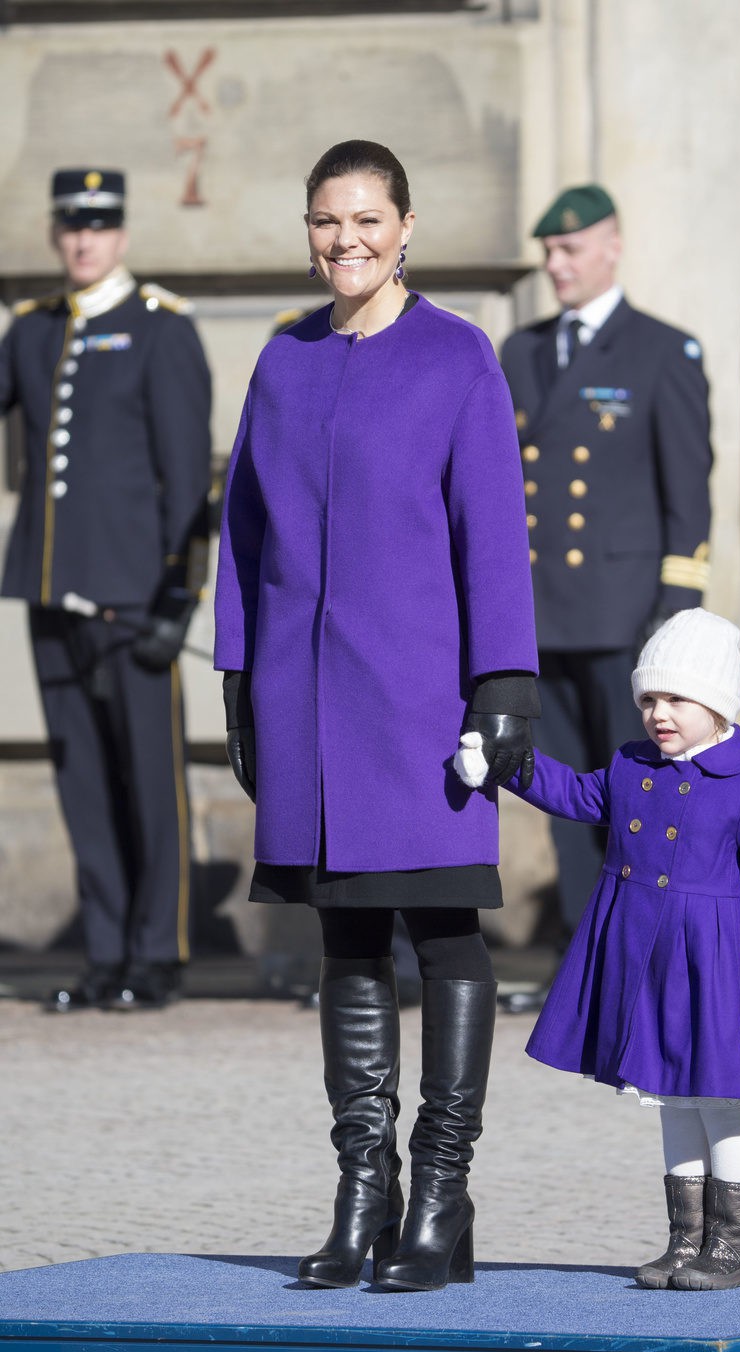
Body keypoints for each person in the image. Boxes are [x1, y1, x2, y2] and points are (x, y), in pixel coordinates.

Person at [213, 140, 539, 1293]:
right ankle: (365, 1191)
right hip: (303, 699)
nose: (343, 242)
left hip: (419, 701)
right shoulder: (281, 361)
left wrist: (502, 685)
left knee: (442, 932)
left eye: (365, 220)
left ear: (407, 225)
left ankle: (439, 1199)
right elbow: (242, 537)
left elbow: (491, 532)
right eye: (323, 222)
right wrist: (237, 676)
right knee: (344, 937)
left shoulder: (459, 356)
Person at [456, 609, 740, 1289]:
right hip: (647, 956)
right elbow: (576, 795)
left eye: (676, 699)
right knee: (670, 1100)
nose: (658, 713)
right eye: (648, 698)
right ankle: (685, 1240)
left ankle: (735, 1247)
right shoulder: (630, 765)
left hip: (714, 966)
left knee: (718, 1100)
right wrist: (502, 763)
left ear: (719, 705)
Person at [0, 167, 212, 1012]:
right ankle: (106, 948)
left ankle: (158, 952)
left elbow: (190, 478)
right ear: (57, 234)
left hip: (135, 600)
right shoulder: (32, 331)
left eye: (98, 227)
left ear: (120, 234)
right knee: (82, 780)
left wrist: (177, 600)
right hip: (54, 593)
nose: (83, 241)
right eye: (71, 227)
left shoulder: (161, 330)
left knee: (150, 782)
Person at [498, 184, 713, 1013]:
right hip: (543, 611)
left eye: (572, 249)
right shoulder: (520, 352)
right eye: (549, 253)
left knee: (642, 800)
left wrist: (674, 610)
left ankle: (656, 960)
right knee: (567, 800)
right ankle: (592, 965)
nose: (557, 265)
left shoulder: (663, 351)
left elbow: (686, 495)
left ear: (613, 246)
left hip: (626, 616)